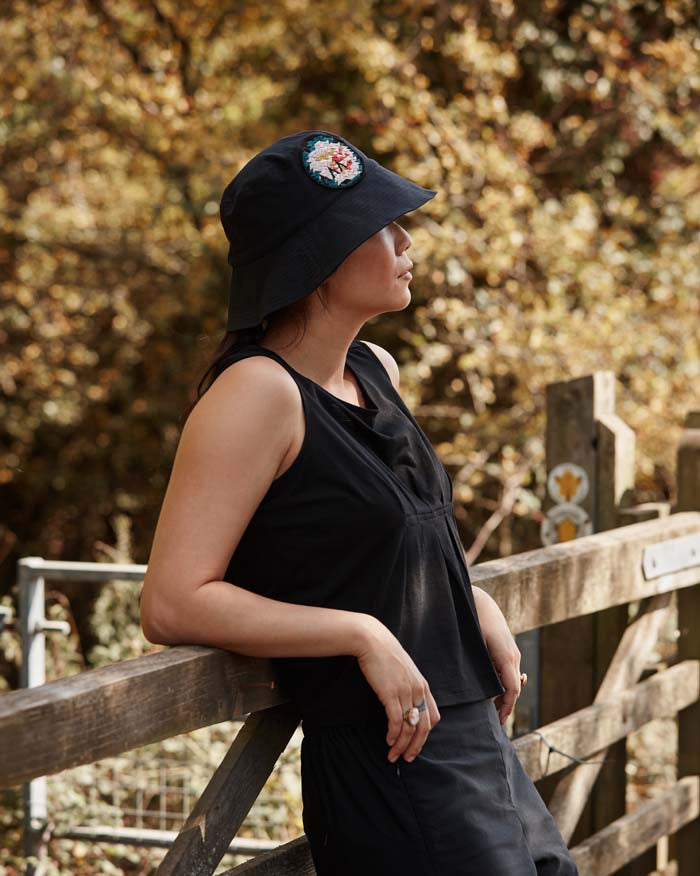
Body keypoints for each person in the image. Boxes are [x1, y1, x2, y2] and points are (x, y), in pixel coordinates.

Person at [140, 130, 579, 875]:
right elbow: (173, 602)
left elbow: (386, 544)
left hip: (472, 737)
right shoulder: (257, 394)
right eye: (383, 225)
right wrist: (361, 635)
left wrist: (473, 603)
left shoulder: (376, 370)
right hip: (392, 765)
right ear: (322, 255)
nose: (407, 239)